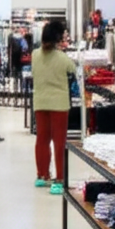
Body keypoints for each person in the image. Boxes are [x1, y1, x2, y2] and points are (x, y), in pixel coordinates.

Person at [31, 20, 77, 194]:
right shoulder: (63, 58)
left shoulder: (35, 54)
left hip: (40, 102)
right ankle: (59, 179)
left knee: (42, 139)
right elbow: (73, 70)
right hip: (59, 104)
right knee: (59, 142)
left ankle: (41, 175)